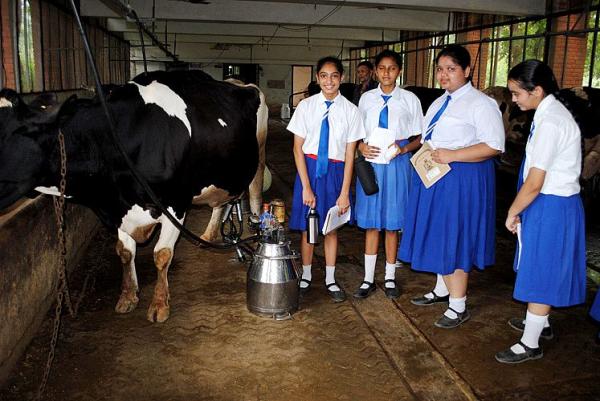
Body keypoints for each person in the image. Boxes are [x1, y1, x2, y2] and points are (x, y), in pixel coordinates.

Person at [399, 44, 505, 328]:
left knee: (454, 235)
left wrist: (453, 155)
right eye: (440, 69)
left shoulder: (481, 104)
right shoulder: (438, 102)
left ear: (467, 71)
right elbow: (426, 137)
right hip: (436, 173)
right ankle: (441, 288)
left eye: (451, 69)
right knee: (438, 231)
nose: (444, 75)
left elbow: (495, 145)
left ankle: (458, 306)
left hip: (462, 177)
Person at [495, 60, 586, 363]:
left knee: (542, 269)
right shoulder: (546, 114)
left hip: (552, 204)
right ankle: (541, 322)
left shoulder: (551, 122)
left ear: (537, 90)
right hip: (547, 202)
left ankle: (529, 343)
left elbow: (535, 181)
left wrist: (512, 211)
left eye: (517, 93)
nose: (514, 99)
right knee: (537, 262)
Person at [288, 56, 366, 302]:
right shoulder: (306, 107)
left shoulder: (351, 111)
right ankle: (307, 275)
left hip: (335, 171)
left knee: (331, 228)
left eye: (334, 76)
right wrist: (306, 187)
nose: (329, 81)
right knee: (307, 228)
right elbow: (297, 148)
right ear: (318, 78)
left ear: (341, 78)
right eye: (324, 76)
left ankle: (331, 279)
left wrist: (344, 193)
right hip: (309, 169)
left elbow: (350, 154)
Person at [353, 49, 423, 300]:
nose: (386, 73)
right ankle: (368, 278)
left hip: (397, 164)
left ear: (399, 71)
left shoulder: (410, 100)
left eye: (392, 68)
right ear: (375, 71)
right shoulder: (366, 99)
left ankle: (390, 276)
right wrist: (361, 146)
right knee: (372, 223)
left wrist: (403, 148)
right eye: (381, 68)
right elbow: (358, 131)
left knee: (392, 224)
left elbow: (420, 136)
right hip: (371, 163)